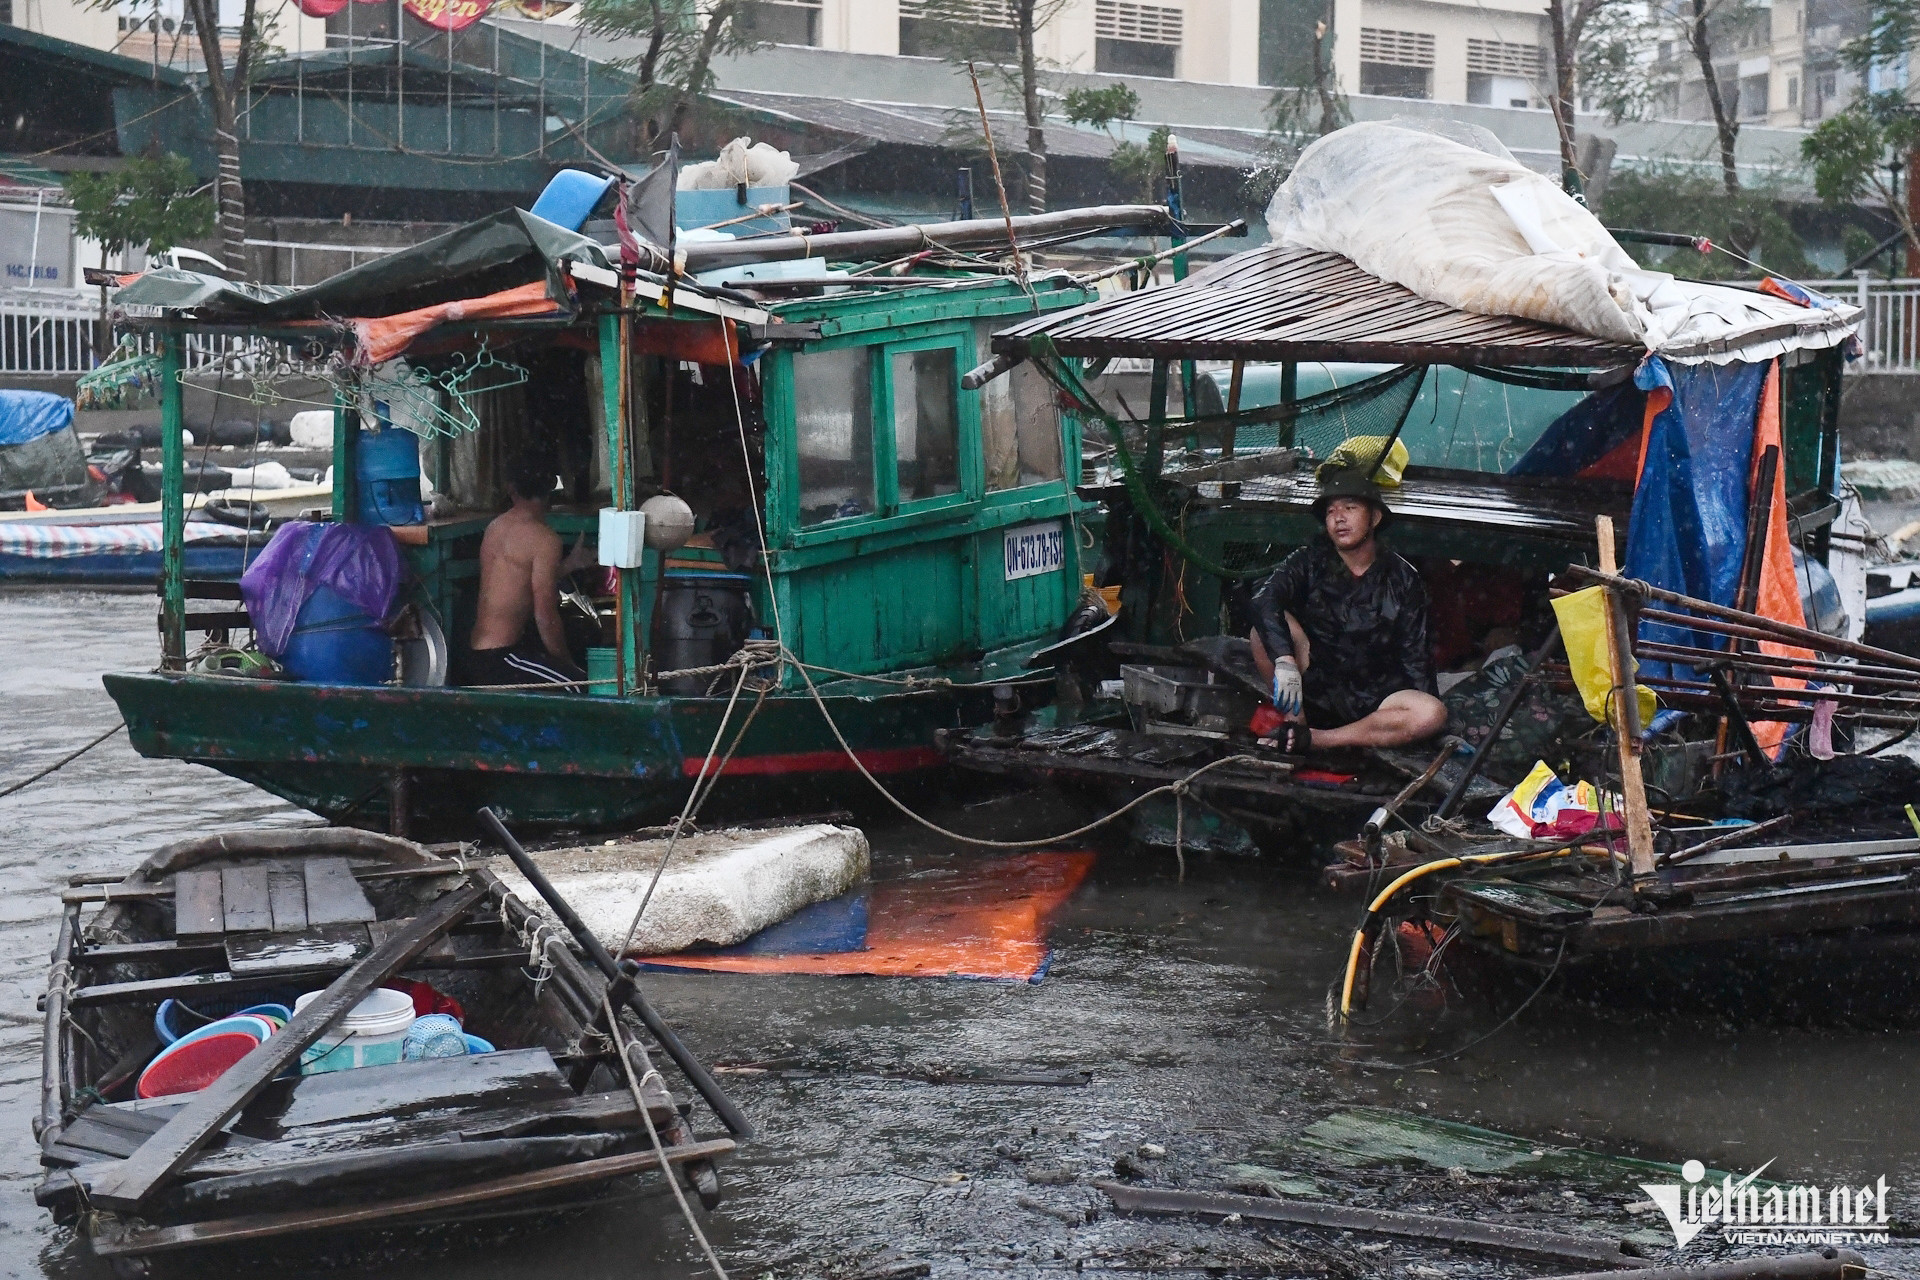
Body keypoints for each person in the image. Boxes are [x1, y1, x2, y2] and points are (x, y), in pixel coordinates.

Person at [1248, 467, 1449, 753]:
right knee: (1263, 630)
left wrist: (1432, 732)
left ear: (1375, 518)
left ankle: (1317, 740)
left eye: (1350, 508)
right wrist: (1286, 662)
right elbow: (1264, 598)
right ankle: (1297, 723)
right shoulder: (1309, 561)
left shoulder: (1404, 578)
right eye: (1331, 512)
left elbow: (1416, 657)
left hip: (1377, 698)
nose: (1339, 518)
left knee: (1431, 713)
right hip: (1316, 684)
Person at [461, 453, 595, 688]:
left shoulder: (496, 526)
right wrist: (568, 665)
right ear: (552, 485)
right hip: (502, 659)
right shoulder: (544, 539)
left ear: (511, 488)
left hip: (476, 654)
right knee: (580, 687)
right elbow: (545, 617)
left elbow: (515, 582)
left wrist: (569, 565)